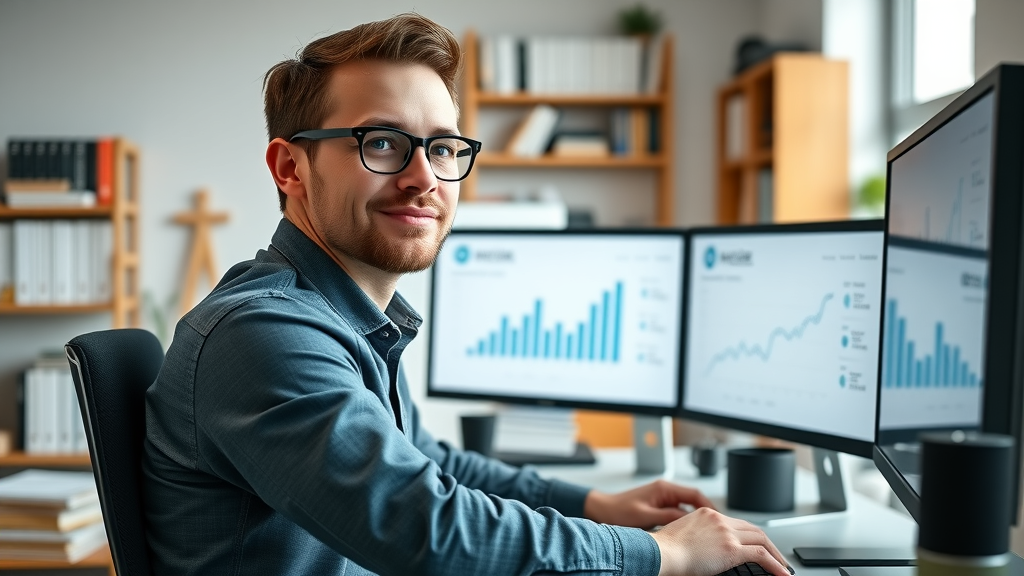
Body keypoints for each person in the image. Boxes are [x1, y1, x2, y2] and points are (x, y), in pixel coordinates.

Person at [143, 13, 792, 576]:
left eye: (444, 148)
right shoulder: (263, 334)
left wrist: (595, 505)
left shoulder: (343, 320)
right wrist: (664, 556)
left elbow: (426, 464)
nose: (425, 178)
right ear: (291, 168)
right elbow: (425, 528)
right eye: (384, 143)